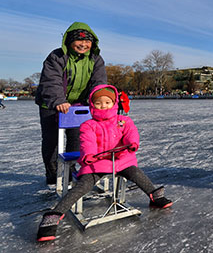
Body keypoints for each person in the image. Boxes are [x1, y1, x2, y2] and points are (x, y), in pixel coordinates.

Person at [36, 85, 172, 242]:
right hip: (96, 162)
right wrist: (89, 155)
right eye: (98, 103)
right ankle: (54, 215)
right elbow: (87, 141)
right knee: (83, 185)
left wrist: (132, 143)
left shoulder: (123, 121)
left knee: (135, 172)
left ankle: (154, 196)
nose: (103, 106)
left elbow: (131, 133)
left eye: (107, 102)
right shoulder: (89, 125)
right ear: (92, 105)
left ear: (113, 104)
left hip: (121, 159)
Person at [35, 22, 107, 186]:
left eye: (87, 41)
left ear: (93, 42)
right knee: (51, 140)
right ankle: (52, 172)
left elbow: (98, 82)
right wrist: (59, 100)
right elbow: (51, 81)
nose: (84, 44)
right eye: (79, 40)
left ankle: (69, 169)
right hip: (51, 105)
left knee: (77, 138)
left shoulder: (96, 59)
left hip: (78, 106)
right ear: (69, 41)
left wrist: (98, 100)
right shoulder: (57, 56)